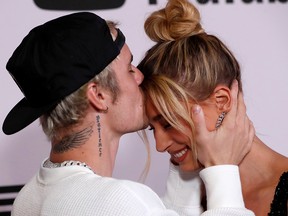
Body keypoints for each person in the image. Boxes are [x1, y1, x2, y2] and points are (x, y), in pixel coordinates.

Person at [2, 11, 255, 216]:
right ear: (99, 95)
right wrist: (223, 168)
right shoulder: (120, 201)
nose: (140, 76)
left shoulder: (27, 199)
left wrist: (184, 160)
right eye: (129, 69)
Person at [138, 0, 288, 215]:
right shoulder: (187, 198)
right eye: (152, 128)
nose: (160, 146)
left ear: (222, 101)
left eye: (169, 123)